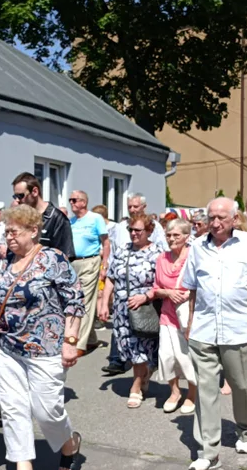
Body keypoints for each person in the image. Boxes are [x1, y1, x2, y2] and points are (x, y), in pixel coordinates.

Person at [0, 205, 84, 470]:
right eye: (7, 232)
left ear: (33, 231)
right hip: (8, 347)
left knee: (46, 410)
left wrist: (71, 340)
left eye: (14, 232)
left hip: (46, 346)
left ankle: (69, 443)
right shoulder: (6, 260)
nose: (9, 237)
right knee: (13, 408)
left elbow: (75, 300)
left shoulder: (52, 258)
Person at [181, 197, 247, 470]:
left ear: (235, 219)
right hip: (204, 329)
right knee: (206, 390)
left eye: (222, 217)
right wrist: (191, 322)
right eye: (211, 217)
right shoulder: (197, 247)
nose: (216, 222)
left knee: (244, 384)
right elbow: (192, 288)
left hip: (240, 328)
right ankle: (208, 451)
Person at [98, 213, 160, 408]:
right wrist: (104, 303)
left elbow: (162, 282)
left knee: (141, 347)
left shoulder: (157, 253)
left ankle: (136, 386)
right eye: (131, 230)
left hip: (145, 307)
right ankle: (143, 375)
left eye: (138, 230)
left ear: (149, 231)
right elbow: (111, 278)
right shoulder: (123, 251)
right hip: (122, 307)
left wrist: (146, 296)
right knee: (129, 347)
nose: (133, 234)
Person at [151, 219, 198, 414]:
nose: (171, 239)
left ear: (187, 237)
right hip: (167, 314)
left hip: (189, 314)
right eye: (168, 235)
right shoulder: (161, 259)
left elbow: (203, 285)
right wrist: (168, 293)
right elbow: (155, 289)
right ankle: (174, 391)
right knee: (167, 356)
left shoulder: (194, 257)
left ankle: (193, 394)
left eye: (176, 235)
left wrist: (187, 294)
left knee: (187, 356)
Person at [68, 190, 109, 355]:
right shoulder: (71, 221)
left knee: (84, 302)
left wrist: (104, 265)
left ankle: (80, 343)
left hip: (90, 261)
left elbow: (106, 243)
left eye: (74, 200)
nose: (71, 203)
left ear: (83, 202)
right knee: (76, 300)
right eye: (70, 200)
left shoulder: (95, 218)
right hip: (74, 263)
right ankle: (91, 339)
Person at [11, 172, 75, 260]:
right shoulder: (21, 218)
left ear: (35, 192)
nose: (17, 200)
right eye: (15, 196)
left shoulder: (57, 218)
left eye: (20, 195)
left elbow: (65, 257)